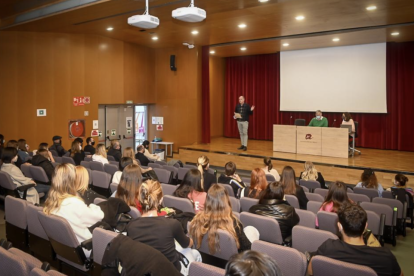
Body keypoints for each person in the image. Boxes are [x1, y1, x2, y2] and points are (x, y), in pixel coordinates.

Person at [127, 180, 201, 274]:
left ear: (140, 199)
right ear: (161, 200)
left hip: (145, 270)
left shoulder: (131, 226)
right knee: (195, 254)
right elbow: (187, 244)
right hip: (171, 272)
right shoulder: (172, 224)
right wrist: (191, 238)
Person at [308, 204, 403, 276]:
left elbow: (311, 270)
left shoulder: (327, 247)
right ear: (365, 226)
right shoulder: (385, 257)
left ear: (339, 226)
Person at [43, 163, 104, 257]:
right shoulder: (73, 203)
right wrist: (92, 205)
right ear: (72, 180)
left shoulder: (50, 201)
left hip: (62, 247)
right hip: (85, 248)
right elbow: (99, 216)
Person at [189, 184, 258, 255]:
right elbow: (248, 250)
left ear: (208, 200)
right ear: (226, 201)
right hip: (230, 263)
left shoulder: (198, 219)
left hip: (206, 261)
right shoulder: (234, 223)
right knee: (251, 230)